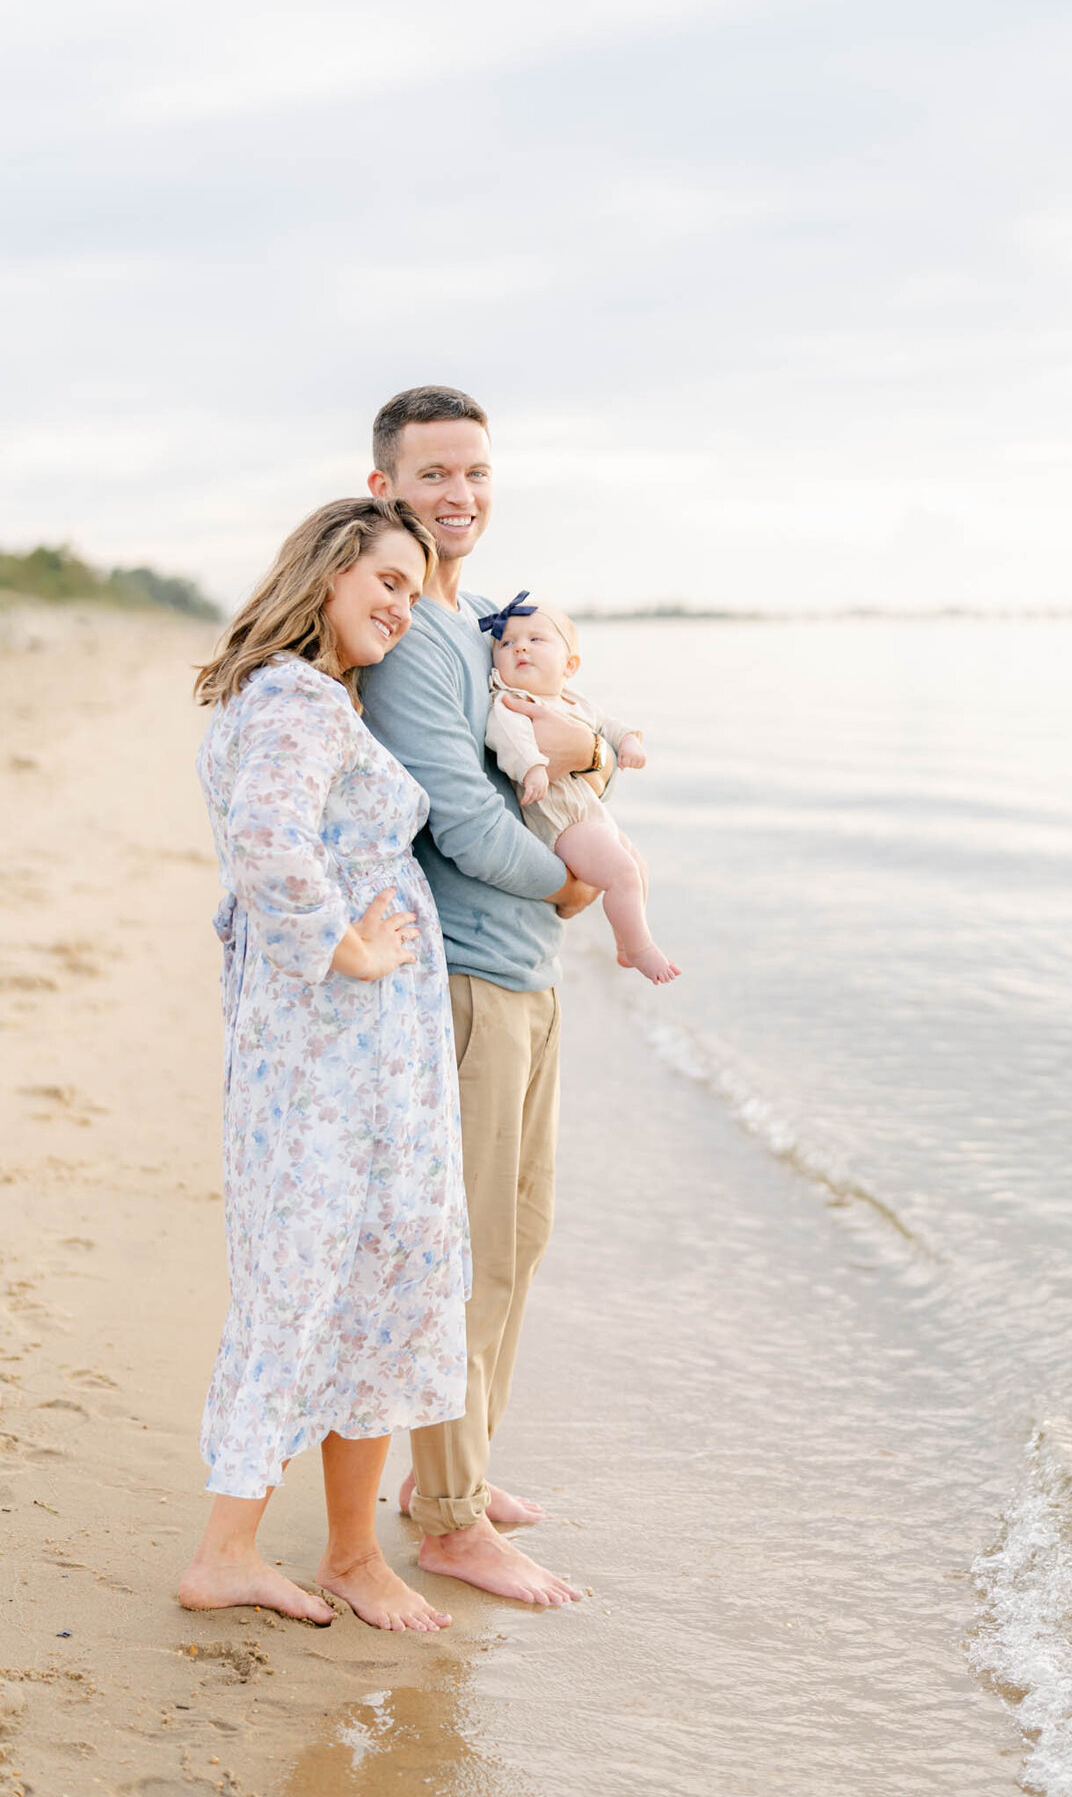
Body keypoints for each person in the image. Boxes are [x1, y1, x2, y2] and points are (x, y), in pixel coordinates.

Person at [179, 496, 471, 1633]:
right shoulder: (300, 697)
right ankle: (232, 1551)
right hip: (334, 1060)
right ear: (332, 568)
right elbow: (268, 838)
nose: (401, 605)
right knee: (315, 1284)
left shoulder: (292, 695)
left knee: (356, 1282)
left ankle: (343, 1553)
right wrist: (349, 946)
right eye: (388, 582)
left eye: (413, 589)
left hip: (341, 1056)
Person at [362, 386, 608, 1607]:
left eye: (475, 472)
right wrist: (571, 883)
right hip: (465, 975)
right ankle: (452, 1520)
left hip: (528, 974)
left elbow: (570, 737)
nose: (458, 495)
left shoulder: (482, 629)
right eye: (432, 476)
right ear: (384, 491)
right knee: (468, 1256)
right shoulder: (414, 637)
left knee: (522, 1237)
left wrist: (596, 754)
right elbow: (456, 817)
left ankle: (454, 1473)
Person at [484, 596, 680, 985]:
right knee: (622, 874)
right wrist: (532, 767)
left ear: (569, 665)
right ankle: (642, 949)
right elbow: (507, 737)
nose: (519, 646)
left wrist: (628, 744)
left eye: (536, 640)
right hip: (561, 820)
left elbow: (609, 726)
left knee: (637, 866)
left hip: (591, 813)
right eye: (506, 644)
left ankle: (625, 943)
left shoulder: (574, 701)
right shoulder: (512, 702)